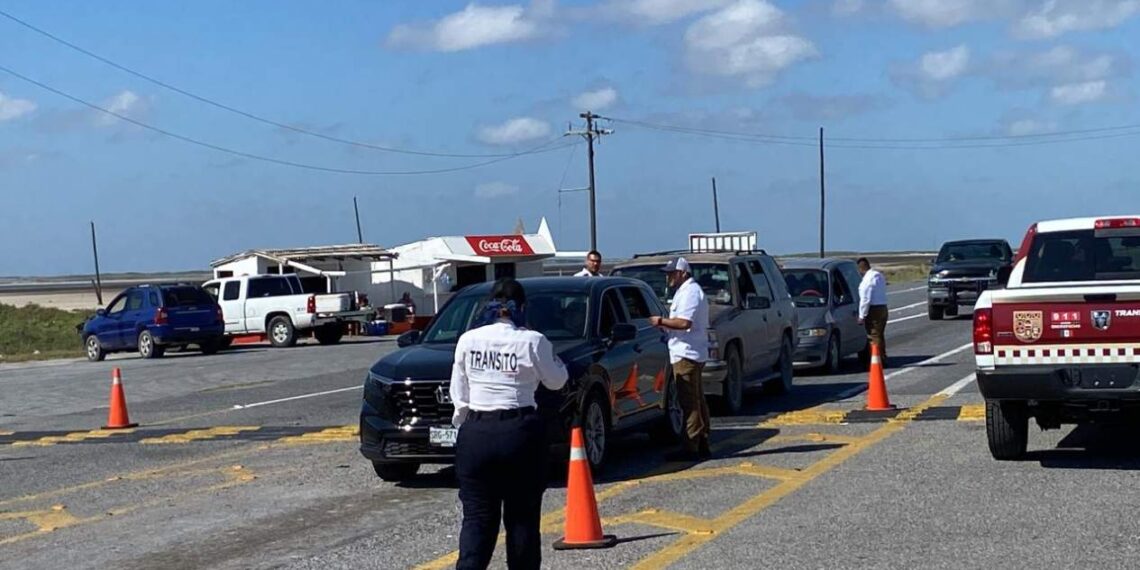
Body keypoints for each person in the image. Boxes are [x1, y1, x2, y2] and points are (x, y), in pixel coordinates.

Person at [449, 278, 568, 570]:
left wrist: (466, 426)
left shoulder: (468, 340)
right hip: (519, 430)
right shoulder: (532, 340)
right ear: (522, 307)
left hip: (476, 430)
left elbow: (459, 394)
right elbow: (557, 381)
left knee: (477, 519)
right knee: (522, 519)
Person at [649, 257, 711, 462]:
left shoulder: (690, 292)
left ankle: (691, 445)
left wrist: (660, 321)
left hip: (687, 353)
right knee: (696, 399)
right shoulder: (684, 292)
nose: (668, 277)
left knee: (689, 402)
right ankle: (702, 442)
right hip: (686, 351)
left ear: (683, 273)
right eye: (667, 273)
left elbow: (684, 322)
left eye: (672, 273)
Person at [857, 257, 889, 366]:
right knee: (880, 334)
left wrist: (861, 316)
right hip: (883, 307)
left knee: (874, 335)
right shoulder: (878, 275)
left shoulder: (866, 281)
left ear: (861, 268)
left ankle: (877, 359)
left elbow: (865, 300)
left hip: (874, 309)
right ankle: (883, 356)